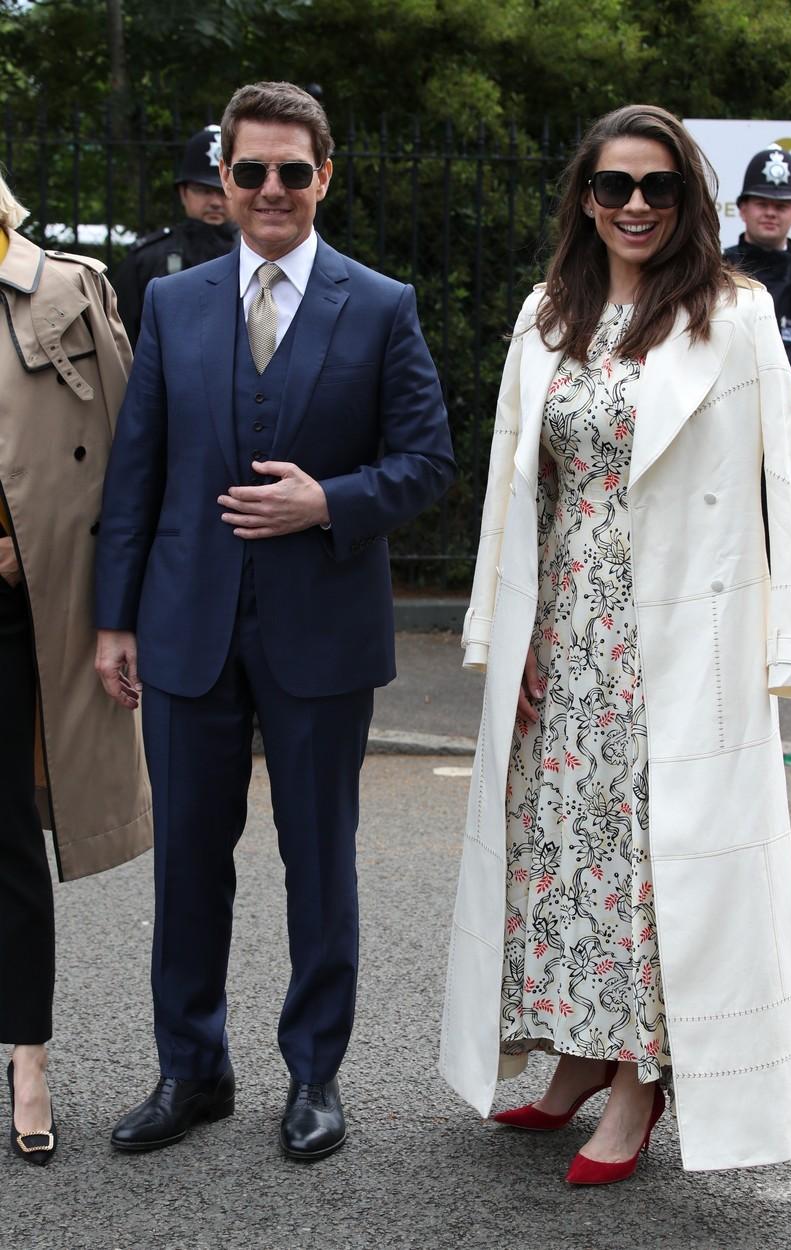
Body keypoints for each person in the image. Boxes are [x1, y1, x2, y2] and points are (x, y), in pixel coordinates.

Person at [440, 104, 791, 1182]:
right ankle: (570, 1055)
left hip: (679, 638)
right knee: (560, 852)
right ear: (584, 199)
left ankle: (637, 1085)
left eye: (657, 187)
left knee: (653, 869)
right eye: (614, 187)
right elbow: (513, 486)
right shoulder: (545, 313)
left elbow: (782, 480)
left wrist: (777, 645)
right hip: (562, 630)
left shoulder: (731, 313)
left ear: (688, 199)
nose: (636, 206)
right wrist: (498, 631)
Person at [95, 80, 455, 1161]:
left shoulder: (380, 303)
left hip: (321, 629)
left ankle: (314, 1075)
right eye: (248, 170)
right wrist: (114, 620)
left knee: (318, 858)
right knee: (188, 861)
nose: (268, 189)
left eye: (291, 171)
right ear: (225, 177)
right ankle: (191, 1069)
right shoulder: (174, 301)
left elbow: (428, 461)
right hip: (187, 622)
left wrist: (328, 501)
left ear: (323, 177)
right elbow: (136, 469)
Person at [0, 172, 152, 1165]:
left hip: (22, 604)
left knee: (8, 831)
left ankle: (28, 1056)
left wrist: (121, 611)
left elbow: (134, 454)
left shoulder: (65, 290)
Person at [725, 144, 791, 445]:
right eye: (761, 203)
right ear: (742, 208)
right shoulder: (711, 275)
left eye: (782, 205)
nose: (771, 212)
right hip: (726, 448)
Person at [113, 125, 238, 346]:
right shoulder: (146, 259)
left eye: (223, 191)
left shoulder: (260, 255)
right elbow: (120, 343)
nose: (215, 202)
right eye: (202, 190)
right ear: (183, 193)